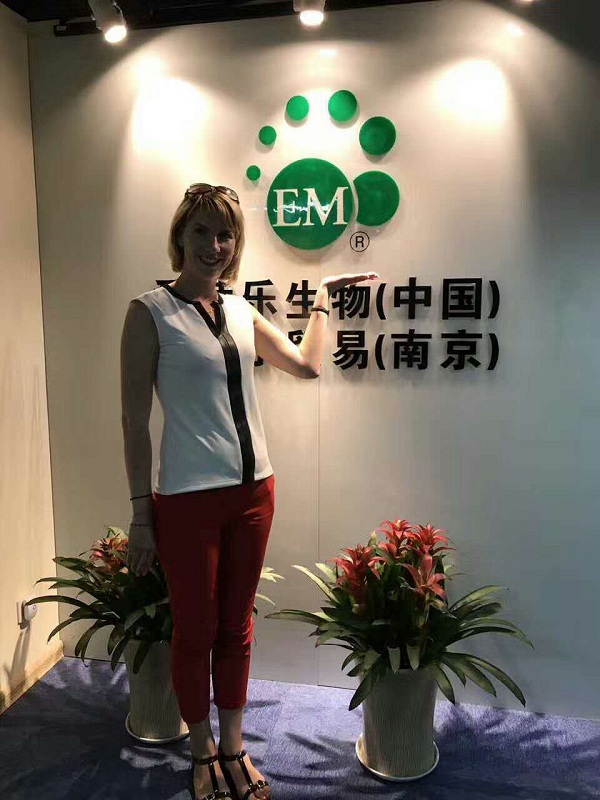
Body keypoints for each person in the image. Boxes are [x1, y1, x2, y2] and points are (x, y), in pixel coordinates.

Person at [120, 182, 379, 800]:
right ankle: (201, 750)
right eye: (202, 231)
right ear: (180, 236)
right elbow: (133, 421)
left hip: (255, 492)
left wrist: (322, 300)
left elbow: (305, 365)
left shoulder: (239, 310)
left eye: (226, 235)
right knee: (194, 630)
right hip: (187, 499)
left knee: (236, 627)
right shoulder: (149, 312)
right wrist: (141, 515)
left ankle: (234, 745)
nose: (214, 245)